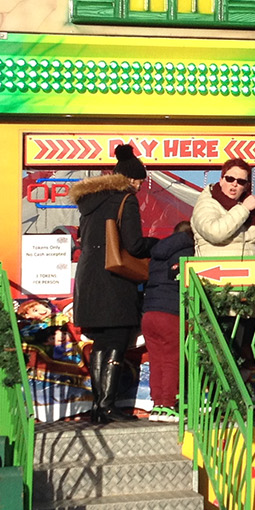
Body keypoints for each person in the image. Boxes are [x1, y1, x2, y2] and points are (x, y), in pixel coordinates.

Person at [71, 144, 156, 423]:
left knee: (100, 343)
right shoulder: (125, 200)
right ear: (132, 179)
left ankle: (98, 406)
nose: (141, 187)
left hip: (89, 278)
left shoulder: (90, 201)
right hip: (114, 281)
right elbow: (133, 243)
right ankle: (108, 406)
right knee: (117, 342)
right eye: (140, 181)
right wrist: (156, 245)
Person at [191, 158, 255, 405]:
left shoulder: (252, 211)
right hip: (219, 292)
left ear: (246, 185)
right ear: (221, 178)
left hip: (248, 293)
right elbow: (215, 232)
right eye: (229, 178)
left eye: (240, 181)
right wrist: (243, 209)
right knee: (222, 351)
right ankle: (219, 402)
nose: (234, 185)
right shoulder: (207, 203)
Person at [141, 220, 193, 424]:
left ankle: (158, 405)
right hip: (171, 312)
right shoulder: (188, 253)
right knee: (172, 359)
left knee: (157, 360)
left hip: (149, 313)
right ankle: (169, 405)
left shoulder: (157, 253)